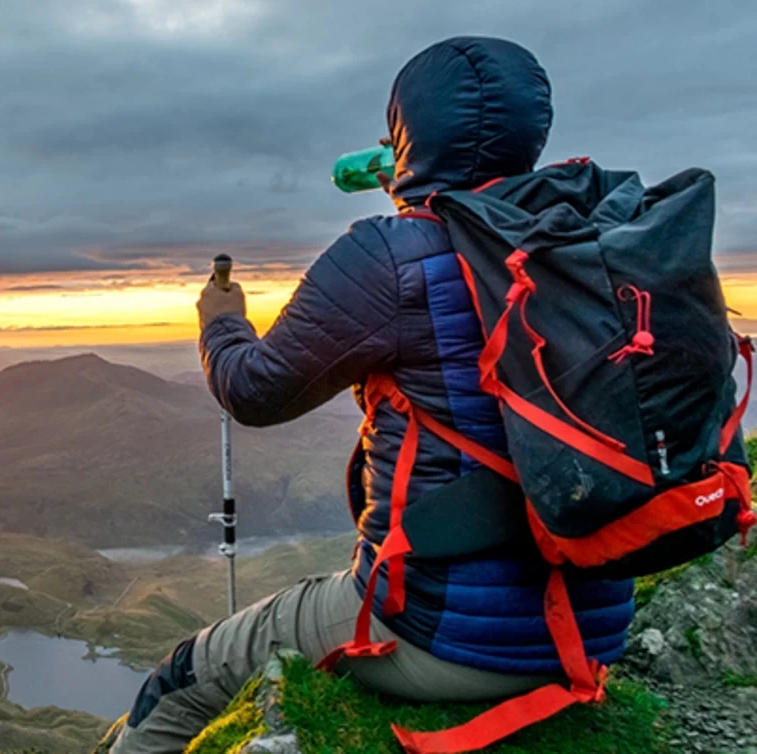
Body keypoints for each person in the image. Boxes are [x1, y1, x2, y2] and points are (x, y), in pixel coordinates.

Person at [104, 36, 636, 754]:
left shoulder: (389, 254)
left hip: (441, 637)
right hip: (597, 623)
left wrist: (221, 321)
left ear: (408, 132)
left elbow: (254, 392)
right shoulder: (594, 243)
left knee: (183, 676)